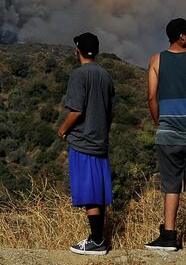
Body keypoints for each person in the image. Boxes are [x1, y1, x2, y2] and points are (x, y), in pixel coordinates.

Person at [145, 17, 186, 252]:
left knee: (171, 185)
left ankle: (170, 237)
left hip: (168, 133)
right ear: (181, 36)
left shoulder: (156, 60)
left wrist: (159, 121)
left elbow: (151, 96)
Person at [57, 32, 115, 256]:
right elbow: (111, 113)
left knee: (90, 193)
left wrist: (63, 130)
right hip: (100, 141)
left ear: (77, 51)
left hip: (83, 142)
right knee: (98, 191)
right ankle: (97, 238)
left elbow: (77, 110)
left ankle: (97, 241)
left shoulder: (78, 75)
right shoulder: (106, 76)